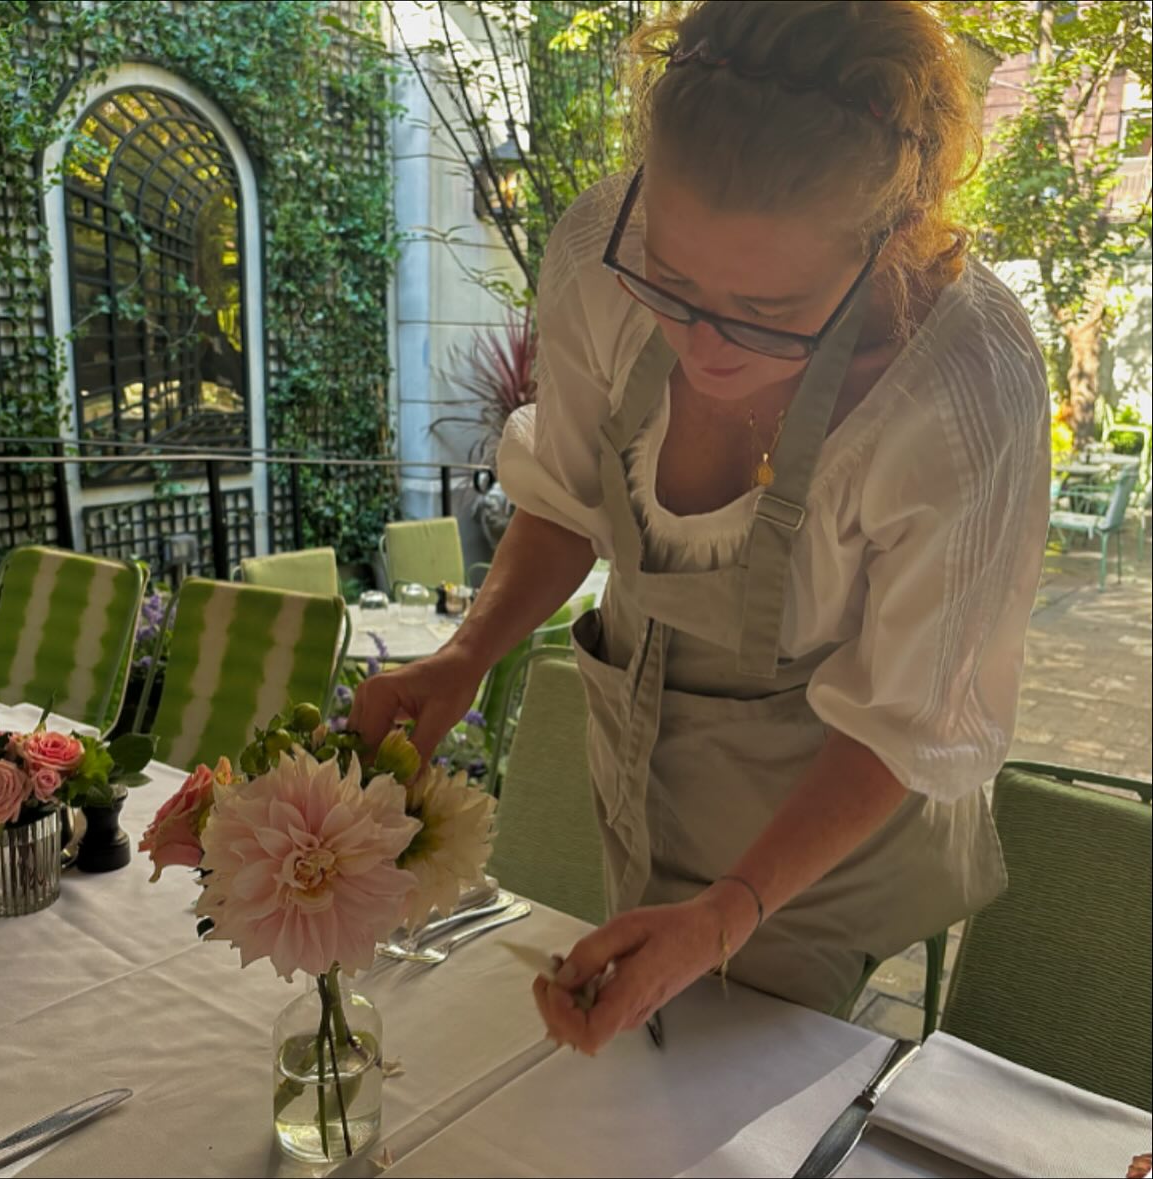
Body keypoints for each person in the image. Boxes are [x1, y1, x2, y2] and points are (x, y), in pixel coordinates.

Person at [352, 0, 1050, 1054]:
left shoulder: (959, 389)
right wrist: (464, 657)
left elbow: (901, 721)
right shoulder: (602, 246)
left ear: (891, 237)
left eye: (768, 309)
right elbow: (568, 495)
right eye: (672, 285)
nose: (705, 348)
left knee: (750, 1088)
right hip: (639, 759)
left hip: (827, 821)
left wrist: (728, 911)